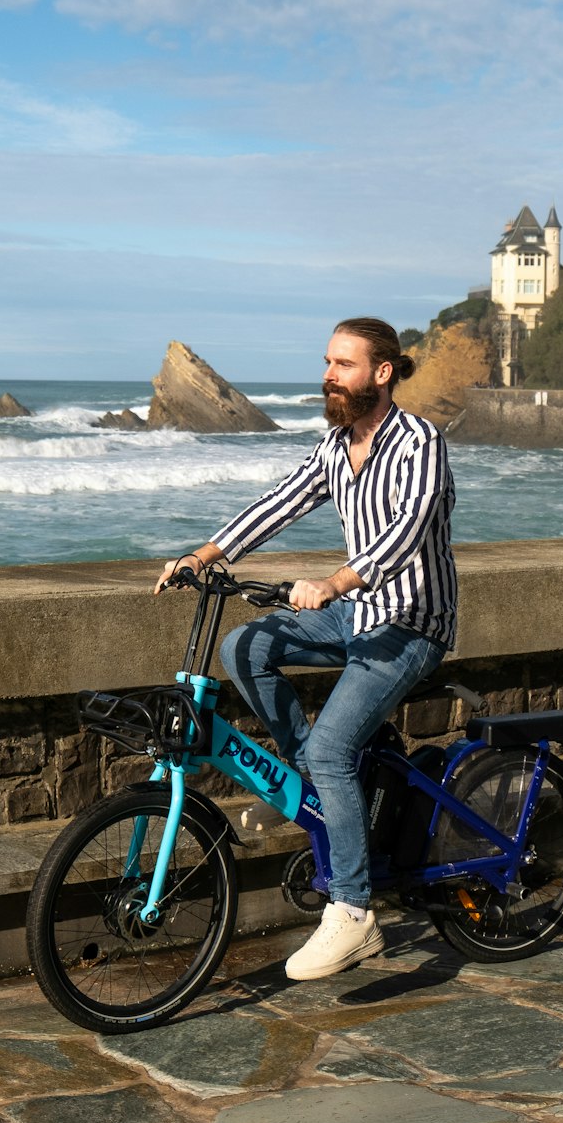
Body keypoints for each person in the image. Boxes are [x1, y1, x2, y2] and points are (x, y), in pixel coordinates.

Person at [154, 317, 457, 981]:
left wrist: (337, 580)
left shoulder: (419, 443)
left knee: (331, 745)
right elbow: (282, 501)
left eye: (343, 364)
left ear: (382, 373)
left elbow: (407, 531)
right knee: (244, 646)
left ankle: (353, 914)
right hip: (357, 615)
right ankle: (312, 791)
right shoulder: (337, 445)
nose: (329, 375)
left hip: (409, 624)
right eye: (327, 362)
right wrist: (203, 555)